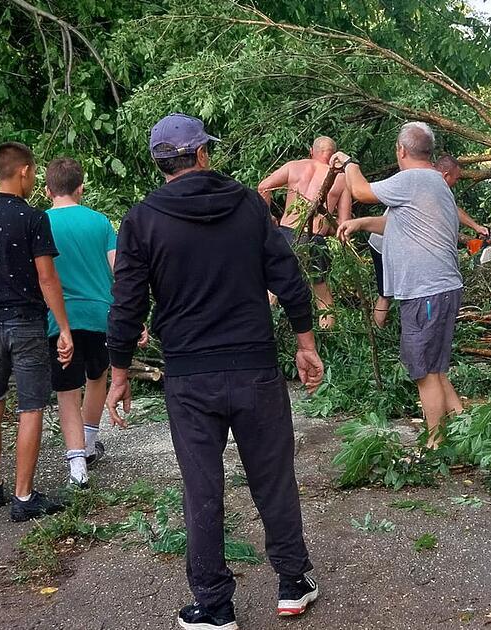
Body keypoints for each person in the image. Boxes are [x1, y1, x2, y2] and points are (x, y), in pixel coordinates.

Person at [105, 113, 324, 628]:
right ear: (202, 155)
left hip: (188, 377)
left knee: (201, 486)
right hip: (255, 368)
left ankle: (213, 606)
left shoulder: (142, 220)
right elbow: (287, 275)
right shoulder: (248, 205)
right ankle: (292, 584)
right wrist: (305, 342)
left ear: (161, 164)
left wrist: (118, 375)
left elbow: (126, 305)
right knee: (273, 477)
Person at [0, 141, 73, 522]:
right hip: (26, 325)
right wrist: (64, 327)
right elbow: (47, 278)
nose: (34, 179)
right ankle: (23, 496)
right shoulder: (34, 218)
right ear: (23, 171)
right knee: (31, 405)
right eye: (33, 172)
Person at [333, 122, 464, 448]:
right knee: (433, 366)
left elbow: (361, 191)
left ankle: (435, 443)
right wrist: (361, 222)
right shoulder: (433, 181)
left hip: (426, 290)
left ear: (401, 150)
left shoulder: (413, 179)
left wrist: (349, 164)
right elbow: (396, 221)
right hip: (438, 288)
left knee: (423, 371)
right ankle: (463, 425)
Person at [42, 157, 145, 487]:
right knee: (98, 376)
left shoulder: (39, 223)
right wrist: (133, 318)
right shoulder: (100, 222)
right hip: (102, 315)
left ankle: (77, 467)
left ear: (47, 191)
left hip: (60, 320)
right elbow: (120, 271)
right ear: (81, 188)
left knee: (67, 390)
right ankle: (88, 444)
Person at [368, 154, 489, 327]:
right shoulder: (425, 182)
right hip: (383, 243)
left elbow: (453, 208)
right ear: (446, 174)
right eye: (456, 178)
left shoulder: (434, 186)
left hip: (399, 243)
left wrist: (476, 227)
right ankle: (378, 334)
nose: (456, 181)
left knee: (400, 290)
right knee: (386, 293)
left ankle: (400, 328)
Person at [257, 136, 353, 330]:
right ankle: (327, 342)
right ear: (334, 156)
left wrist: (269, 221)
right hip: (314, 239)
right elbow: (344, 225)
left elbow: (263, 187)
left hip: (285, 235)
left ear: (311, 151)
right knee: (323, 297)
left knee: (272, 290)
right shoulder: (342, 178)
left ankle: (265, 333)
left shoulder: (294, 166)